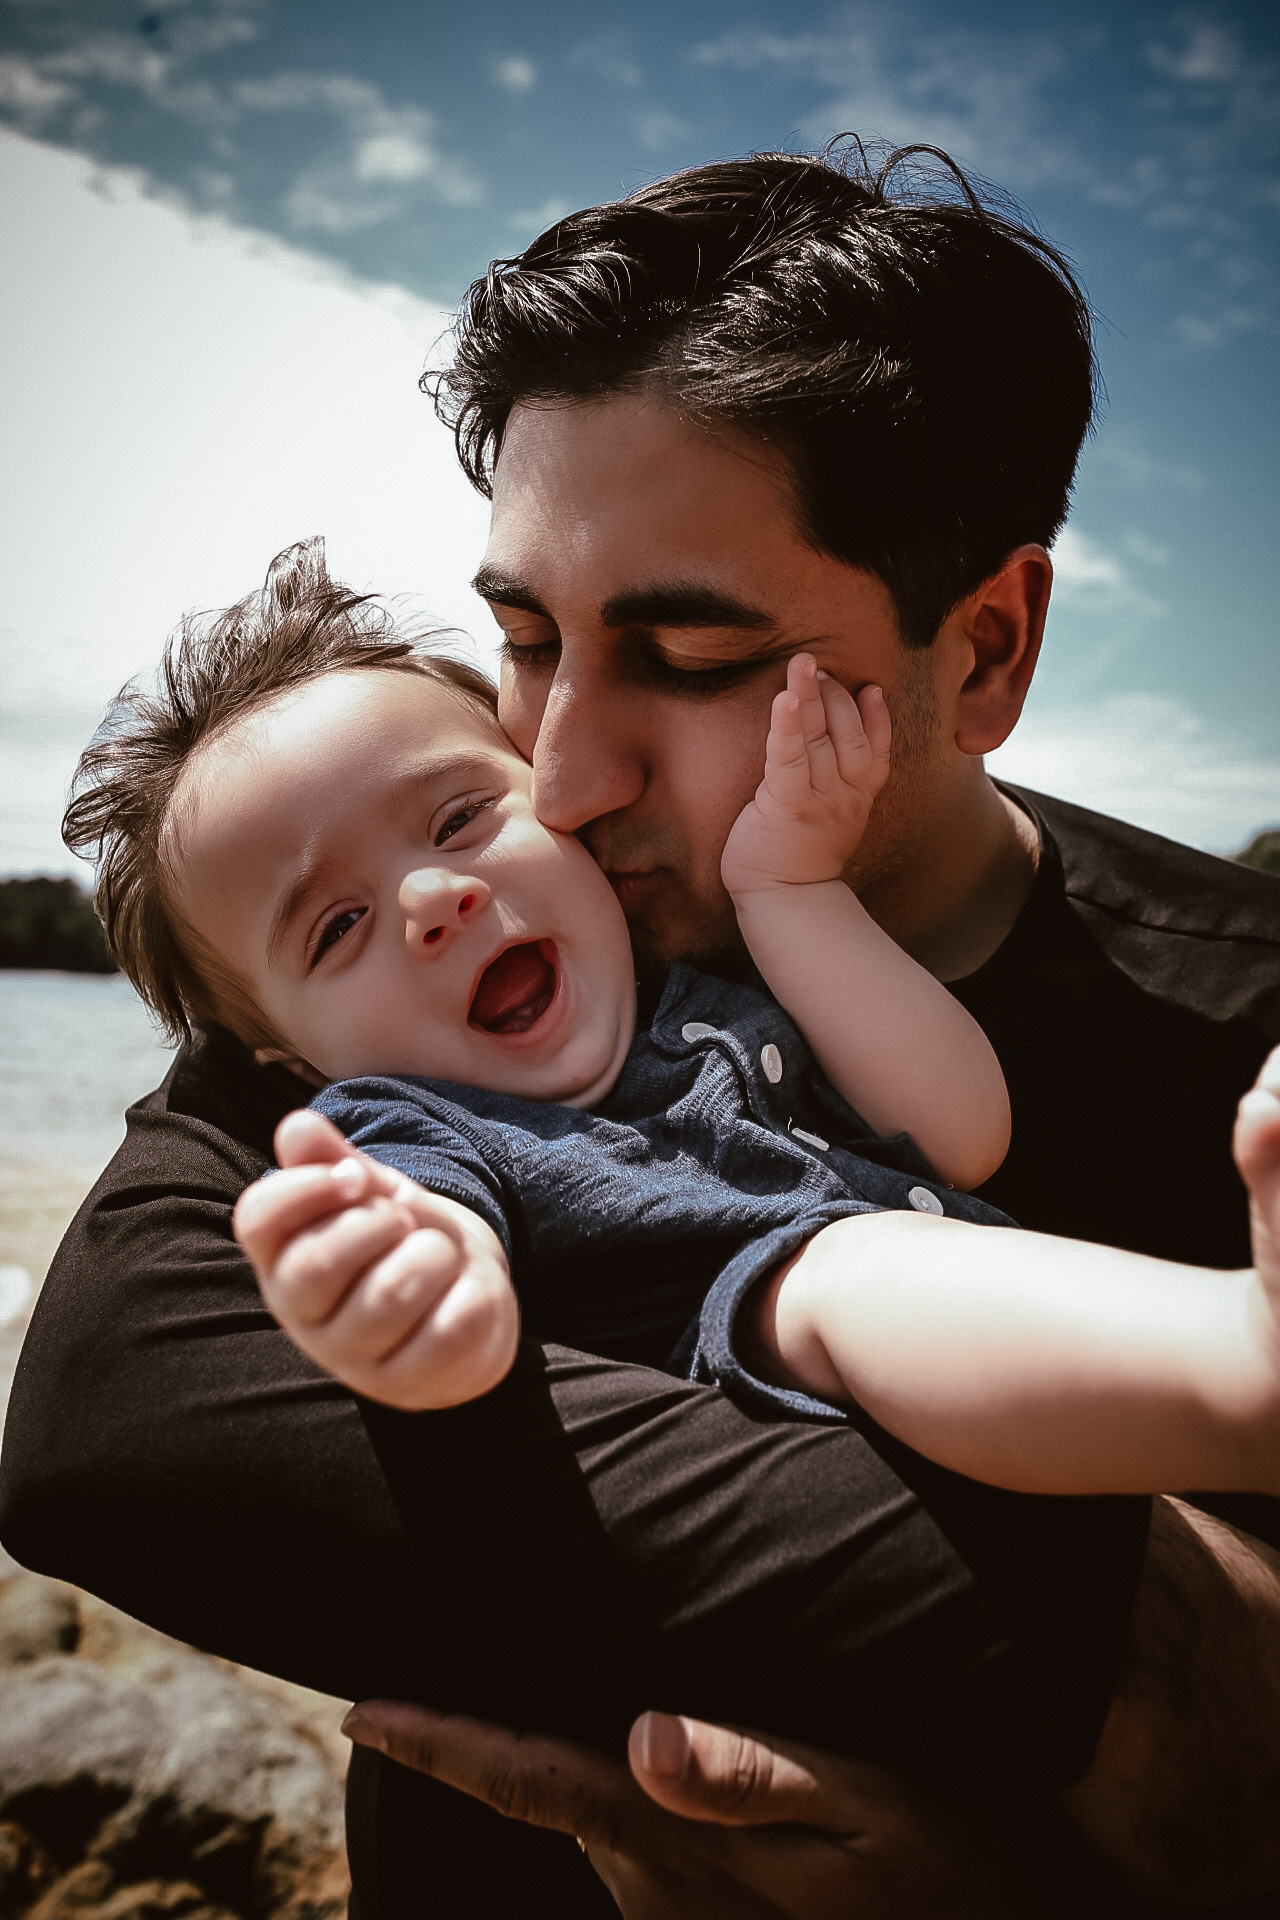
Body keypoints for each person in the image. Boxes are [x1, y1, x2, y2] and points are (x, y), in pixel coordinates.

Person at [2, 142, 1279, 1916]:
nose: (563, 773)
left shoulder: (1244, 1035)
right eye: (522, 636)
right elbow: (93, 1427)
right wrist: (1119, 1647)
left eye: (689, 658)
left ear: (983, 649)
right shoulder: (379, 1012)